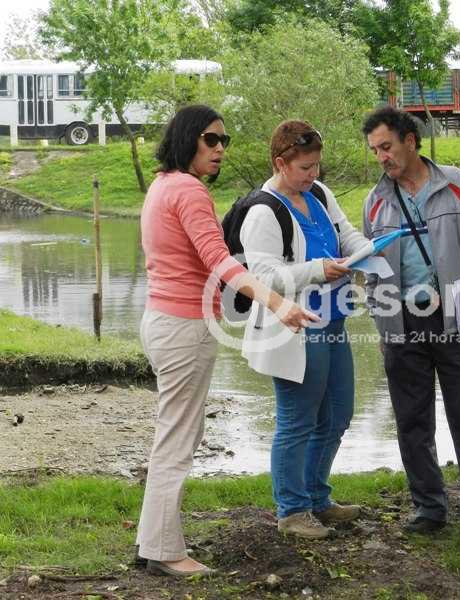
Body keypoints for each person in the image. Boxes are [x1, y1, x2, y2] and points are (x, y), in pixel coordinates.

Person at [136, 105, 316, 577]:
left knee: (178, 432)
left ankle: (152, 541)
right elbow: (219, 260)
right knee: (178, 438)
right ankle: (163, 551)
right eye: (211, 140)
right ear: (187, 139)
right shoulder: (188, 190)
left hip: (161, 320)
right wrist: (277, 302)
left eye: (224, 141)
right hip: (184, 327)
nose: (219, 149)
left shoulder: (161, 185)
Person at [361, 106, 460, 537]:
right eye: (375, 150)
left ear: (410, 141)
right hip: (401, 324)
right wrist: (381, 319)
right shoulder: (375, 202)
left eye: (386, 147)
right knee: (412, 421)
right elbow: (370, 271)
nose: (381, 157)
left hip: (457, 320)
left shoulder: (458, 186)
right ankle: (429, 508)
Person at [240, 120, 373, 539]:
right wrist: (318, 269)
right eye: (304, 167)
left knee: (337, 415)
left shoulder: (319, 194)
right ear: (281, 163)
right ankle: (292, 510)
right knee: (298, 420)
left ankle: (317, 497)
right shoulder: (263, 211)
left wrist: (366, 254)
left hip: (334, 320)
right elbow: (262, 276)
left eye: (317, 166)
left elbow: (346, 234)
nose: (313, 174)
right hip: (295, 328)